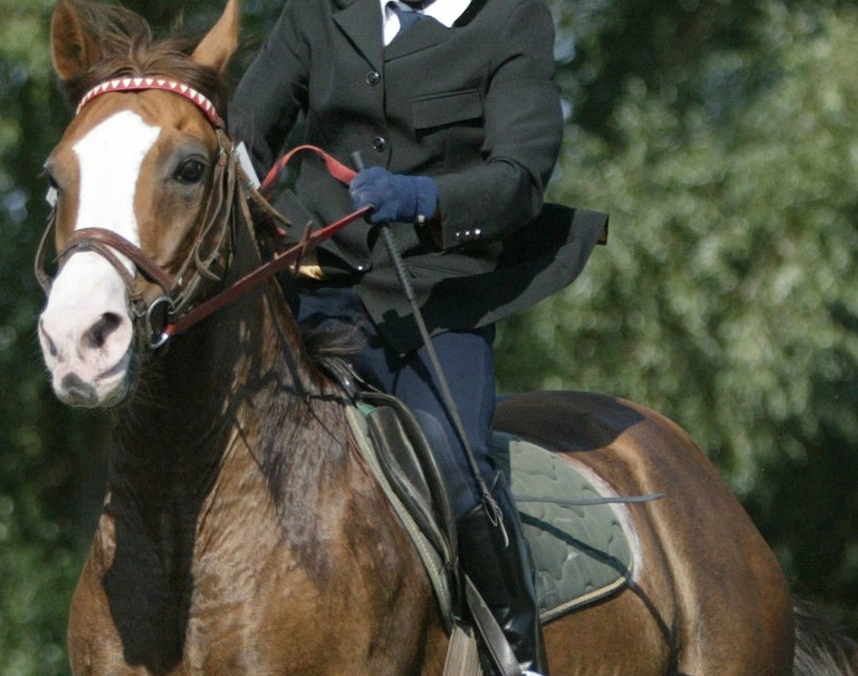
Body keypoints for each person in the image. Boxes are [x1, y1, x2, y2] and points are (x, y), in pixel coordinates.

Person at [229, 0, 606, 673]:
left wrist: (426, 198)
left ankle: (517, 655)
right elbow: (243, 133)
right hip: (319, 285)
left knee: (455, 465)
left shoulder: (510, 19)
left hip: (438, 295)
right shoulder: (318, 11)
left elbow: (519, 177)